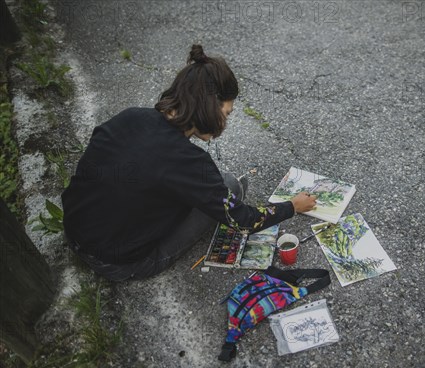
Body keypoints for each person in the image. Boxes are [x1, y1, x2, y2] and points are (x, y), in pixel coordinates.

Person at [61, 44, 316, 281]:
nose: (225, 124)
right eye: (226, 114)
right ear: (210, 106)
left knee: (202, 188)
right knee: (230, 186)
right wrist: (292, 206)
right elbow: (243, 221)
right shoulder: (190, 161)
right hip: (118, 263)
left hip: (75, 232)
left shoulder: (131, 116)